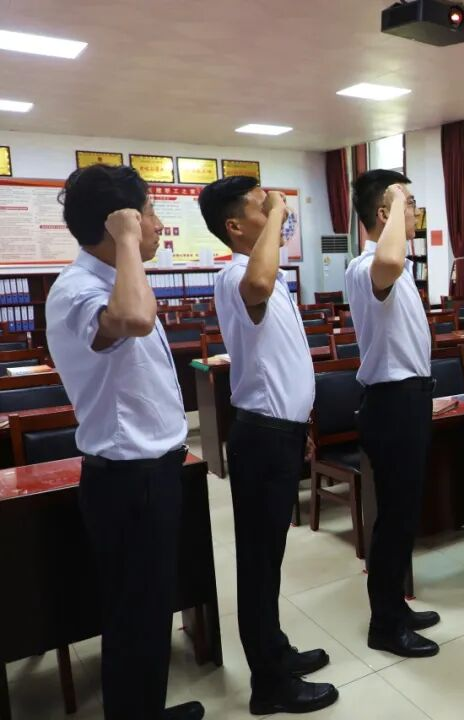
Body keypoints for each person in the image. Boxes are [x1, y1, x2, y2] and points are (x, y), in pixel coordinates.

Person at [45, 165, 203, 720]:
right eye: (148, 215)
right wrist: (130, 239)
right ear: (121, 223)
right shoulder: (77, 290)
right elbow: (134, 319)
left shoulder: (117, 280)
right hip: (128, 480)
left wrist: (128, 245)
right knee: (135, 614)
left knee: (148, 610)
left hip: (153, 473)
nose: (158, 226)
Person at [198, 176, 339, 715]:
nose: (277, 212)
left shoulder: (269, 276)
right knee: (259, 565)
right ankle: (269, 686)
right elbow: (256, 282)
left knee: (270, 559)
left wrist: (303, 421)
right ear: (235, 226)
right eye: (262, 208)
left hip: (281, 430)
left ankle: (275, 651)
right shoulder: (237, 274)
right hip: (261, 436)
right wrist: (279, 210)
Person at [346, 169, 441, 658]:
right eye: (408, 205)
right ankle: (384, 624)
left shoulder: (394, 269)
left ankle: (396, 608)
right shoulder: (367, 266)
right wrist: (400, 200)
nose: (414, 213)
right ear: (384, 214)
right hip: (391, 402)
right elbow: (388, 257)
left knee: (405, 516)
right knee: (393, 518)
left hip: (410, 399)